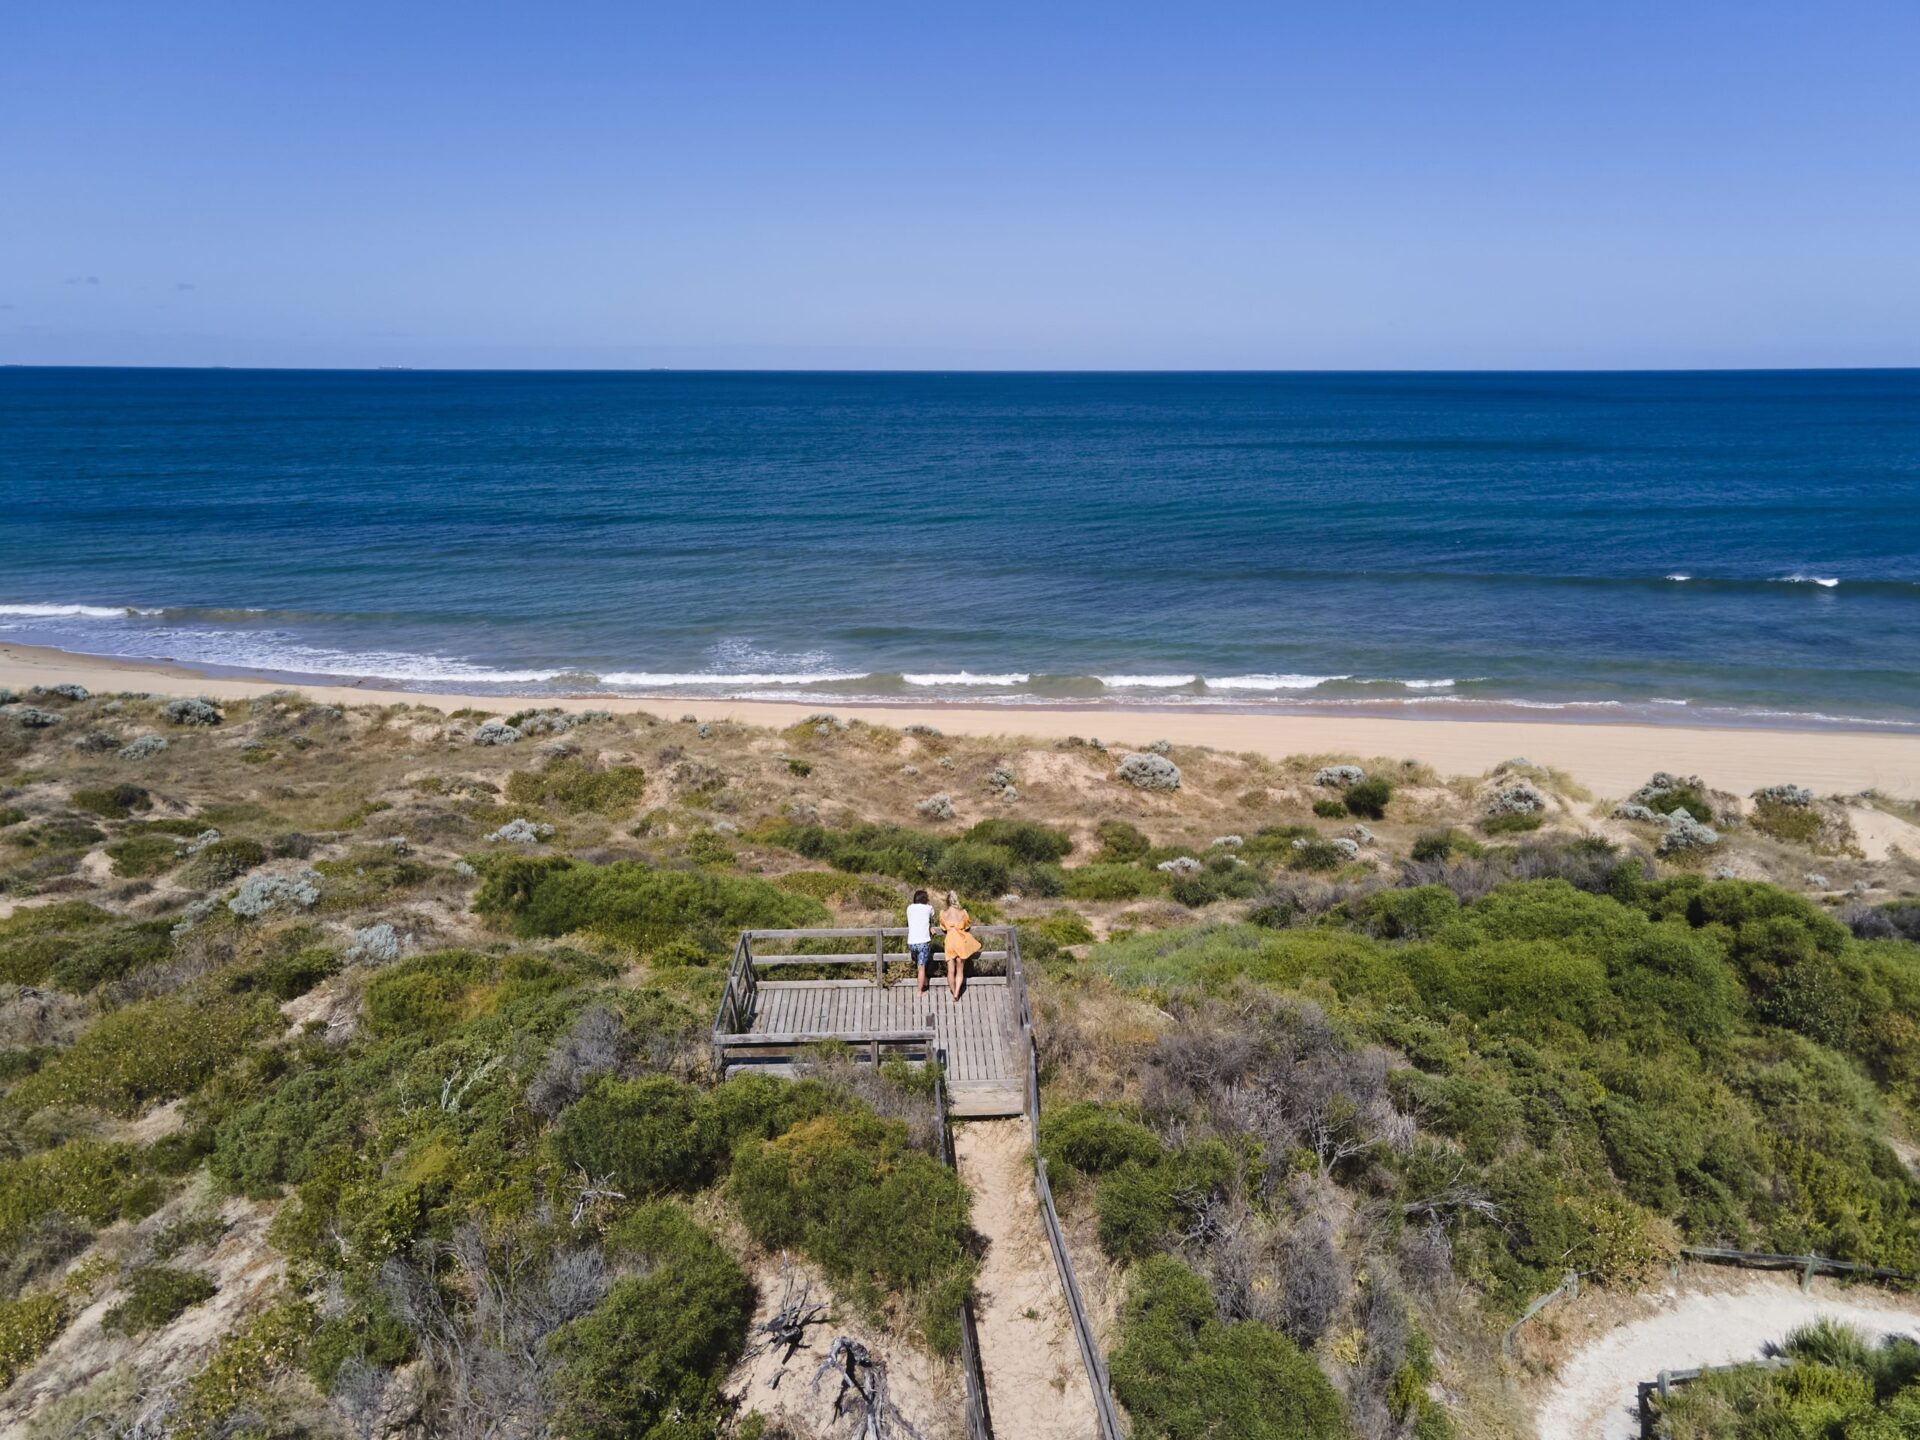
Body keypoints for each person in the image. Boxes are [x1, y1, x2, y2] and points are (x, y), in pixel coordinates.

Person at [939, 890, 980, 1001]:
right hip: (960, 941)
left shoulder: (943, 913)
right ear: (956, 900)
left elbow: (943, 928)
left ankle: (953, 992)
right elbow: (967, 926)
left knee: (950, 971)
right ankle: (957, 992)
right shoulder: (963, 913)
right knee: (960, 970)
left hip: (950, 941)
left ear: (947, 901)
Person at [906, 889, 936, 995]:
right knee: (922, 967)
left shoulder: (909, 908)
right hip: (923, 942)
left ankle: (925, 980)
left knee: (919, 966)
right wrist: (930, 927)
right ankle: (919, 991)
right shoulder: (929, 908)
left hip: (911, 942)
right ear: (925, 899)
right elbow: (933, 915)